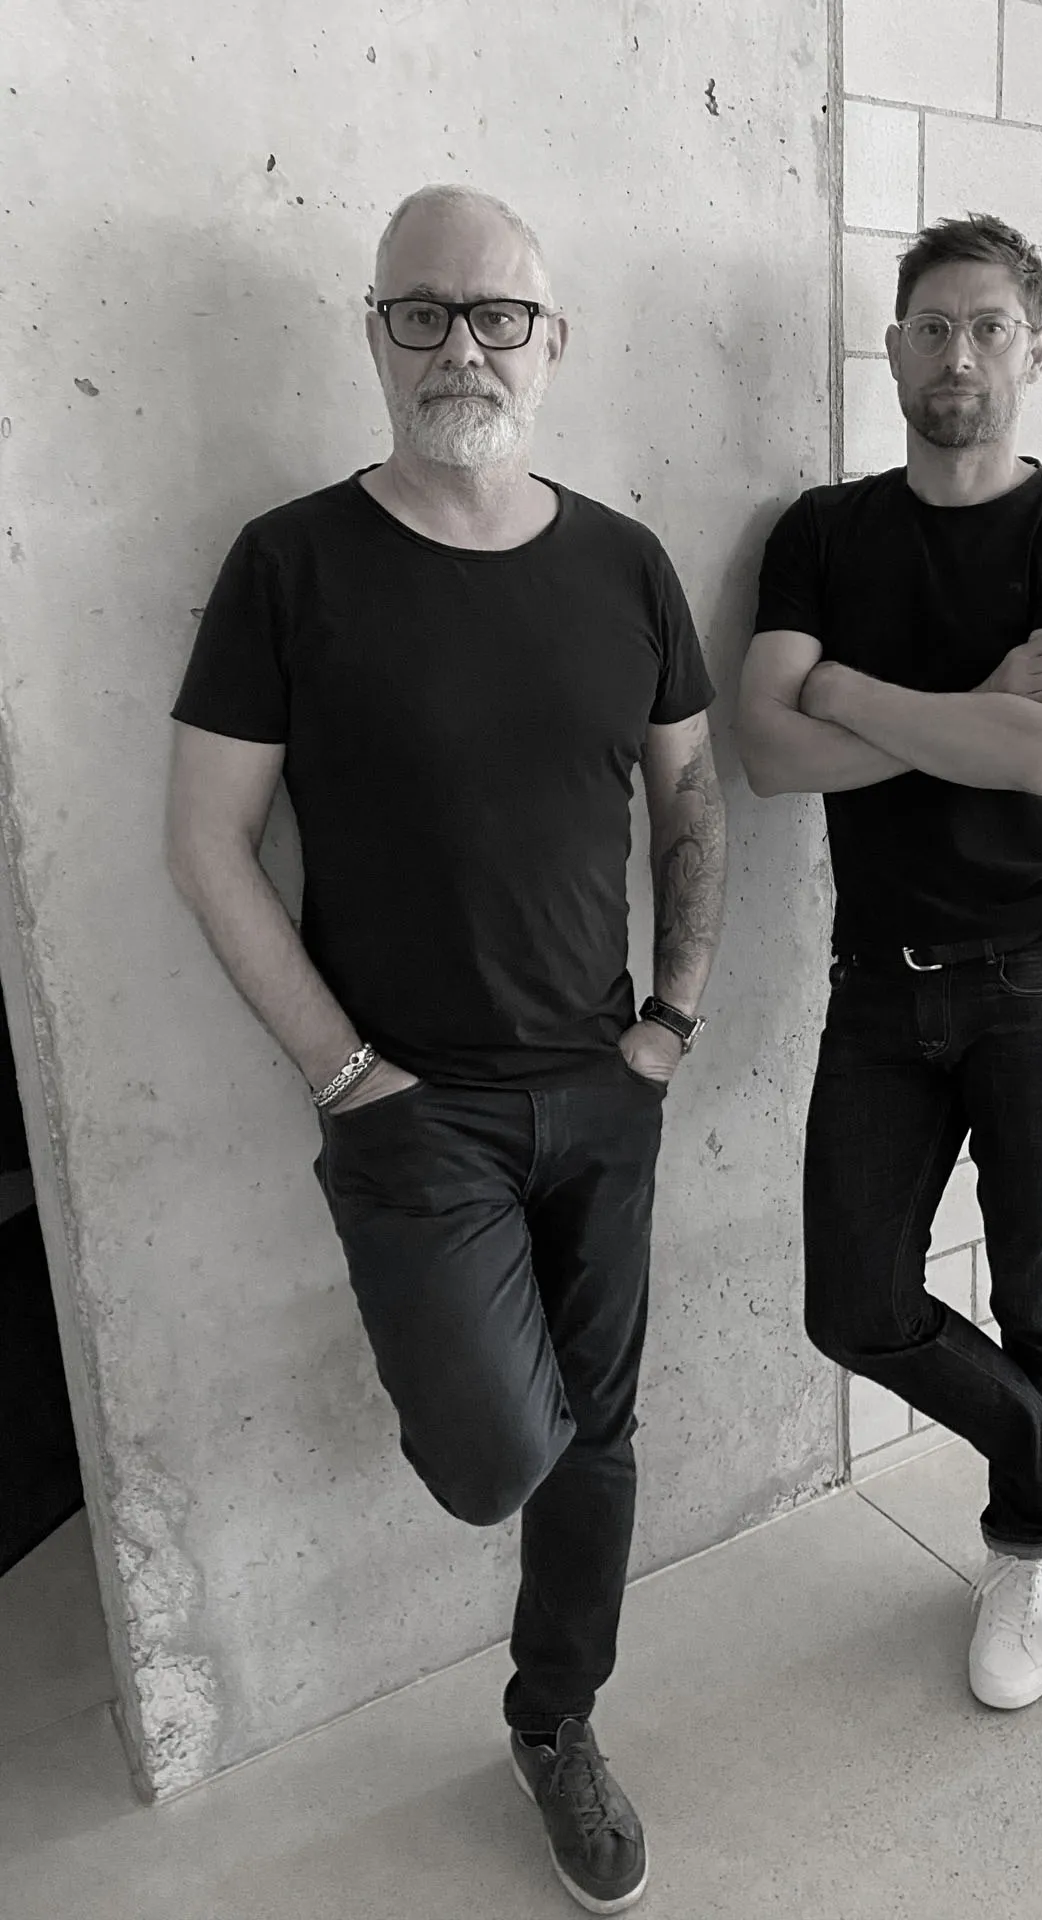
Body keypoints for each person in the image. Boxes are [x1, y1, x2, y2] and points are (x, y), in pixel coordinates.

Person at [166, 183, 725, 1914]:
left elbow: (692, 796)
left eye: (497, 317)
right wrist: (346, 1075)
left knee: (605, 1437)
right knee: (496, 1460)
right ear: (375, 333)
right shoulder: (290, 564)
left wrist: (670, 1018)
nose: (460, 347)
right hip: (414, 1109)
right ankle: (534, 1550)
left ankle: (555, 1723)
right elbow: (205, 840)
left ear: (552, 344)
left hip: (607, 1082)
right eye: (422, 312)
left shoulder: (625, 563)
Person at [737, 213, 1042, 1715]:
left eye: (991, 327)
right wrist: (965, 700)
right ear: (892, 350)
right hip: (881, 980)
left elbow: (1039, 750)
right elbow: (765, 752)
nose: (959, 355)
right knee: (854, 1301)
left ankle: (1023, 1552)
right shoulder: (820, 532)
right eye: (932, 326)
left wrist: (850, 688)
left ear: (1034, 351)